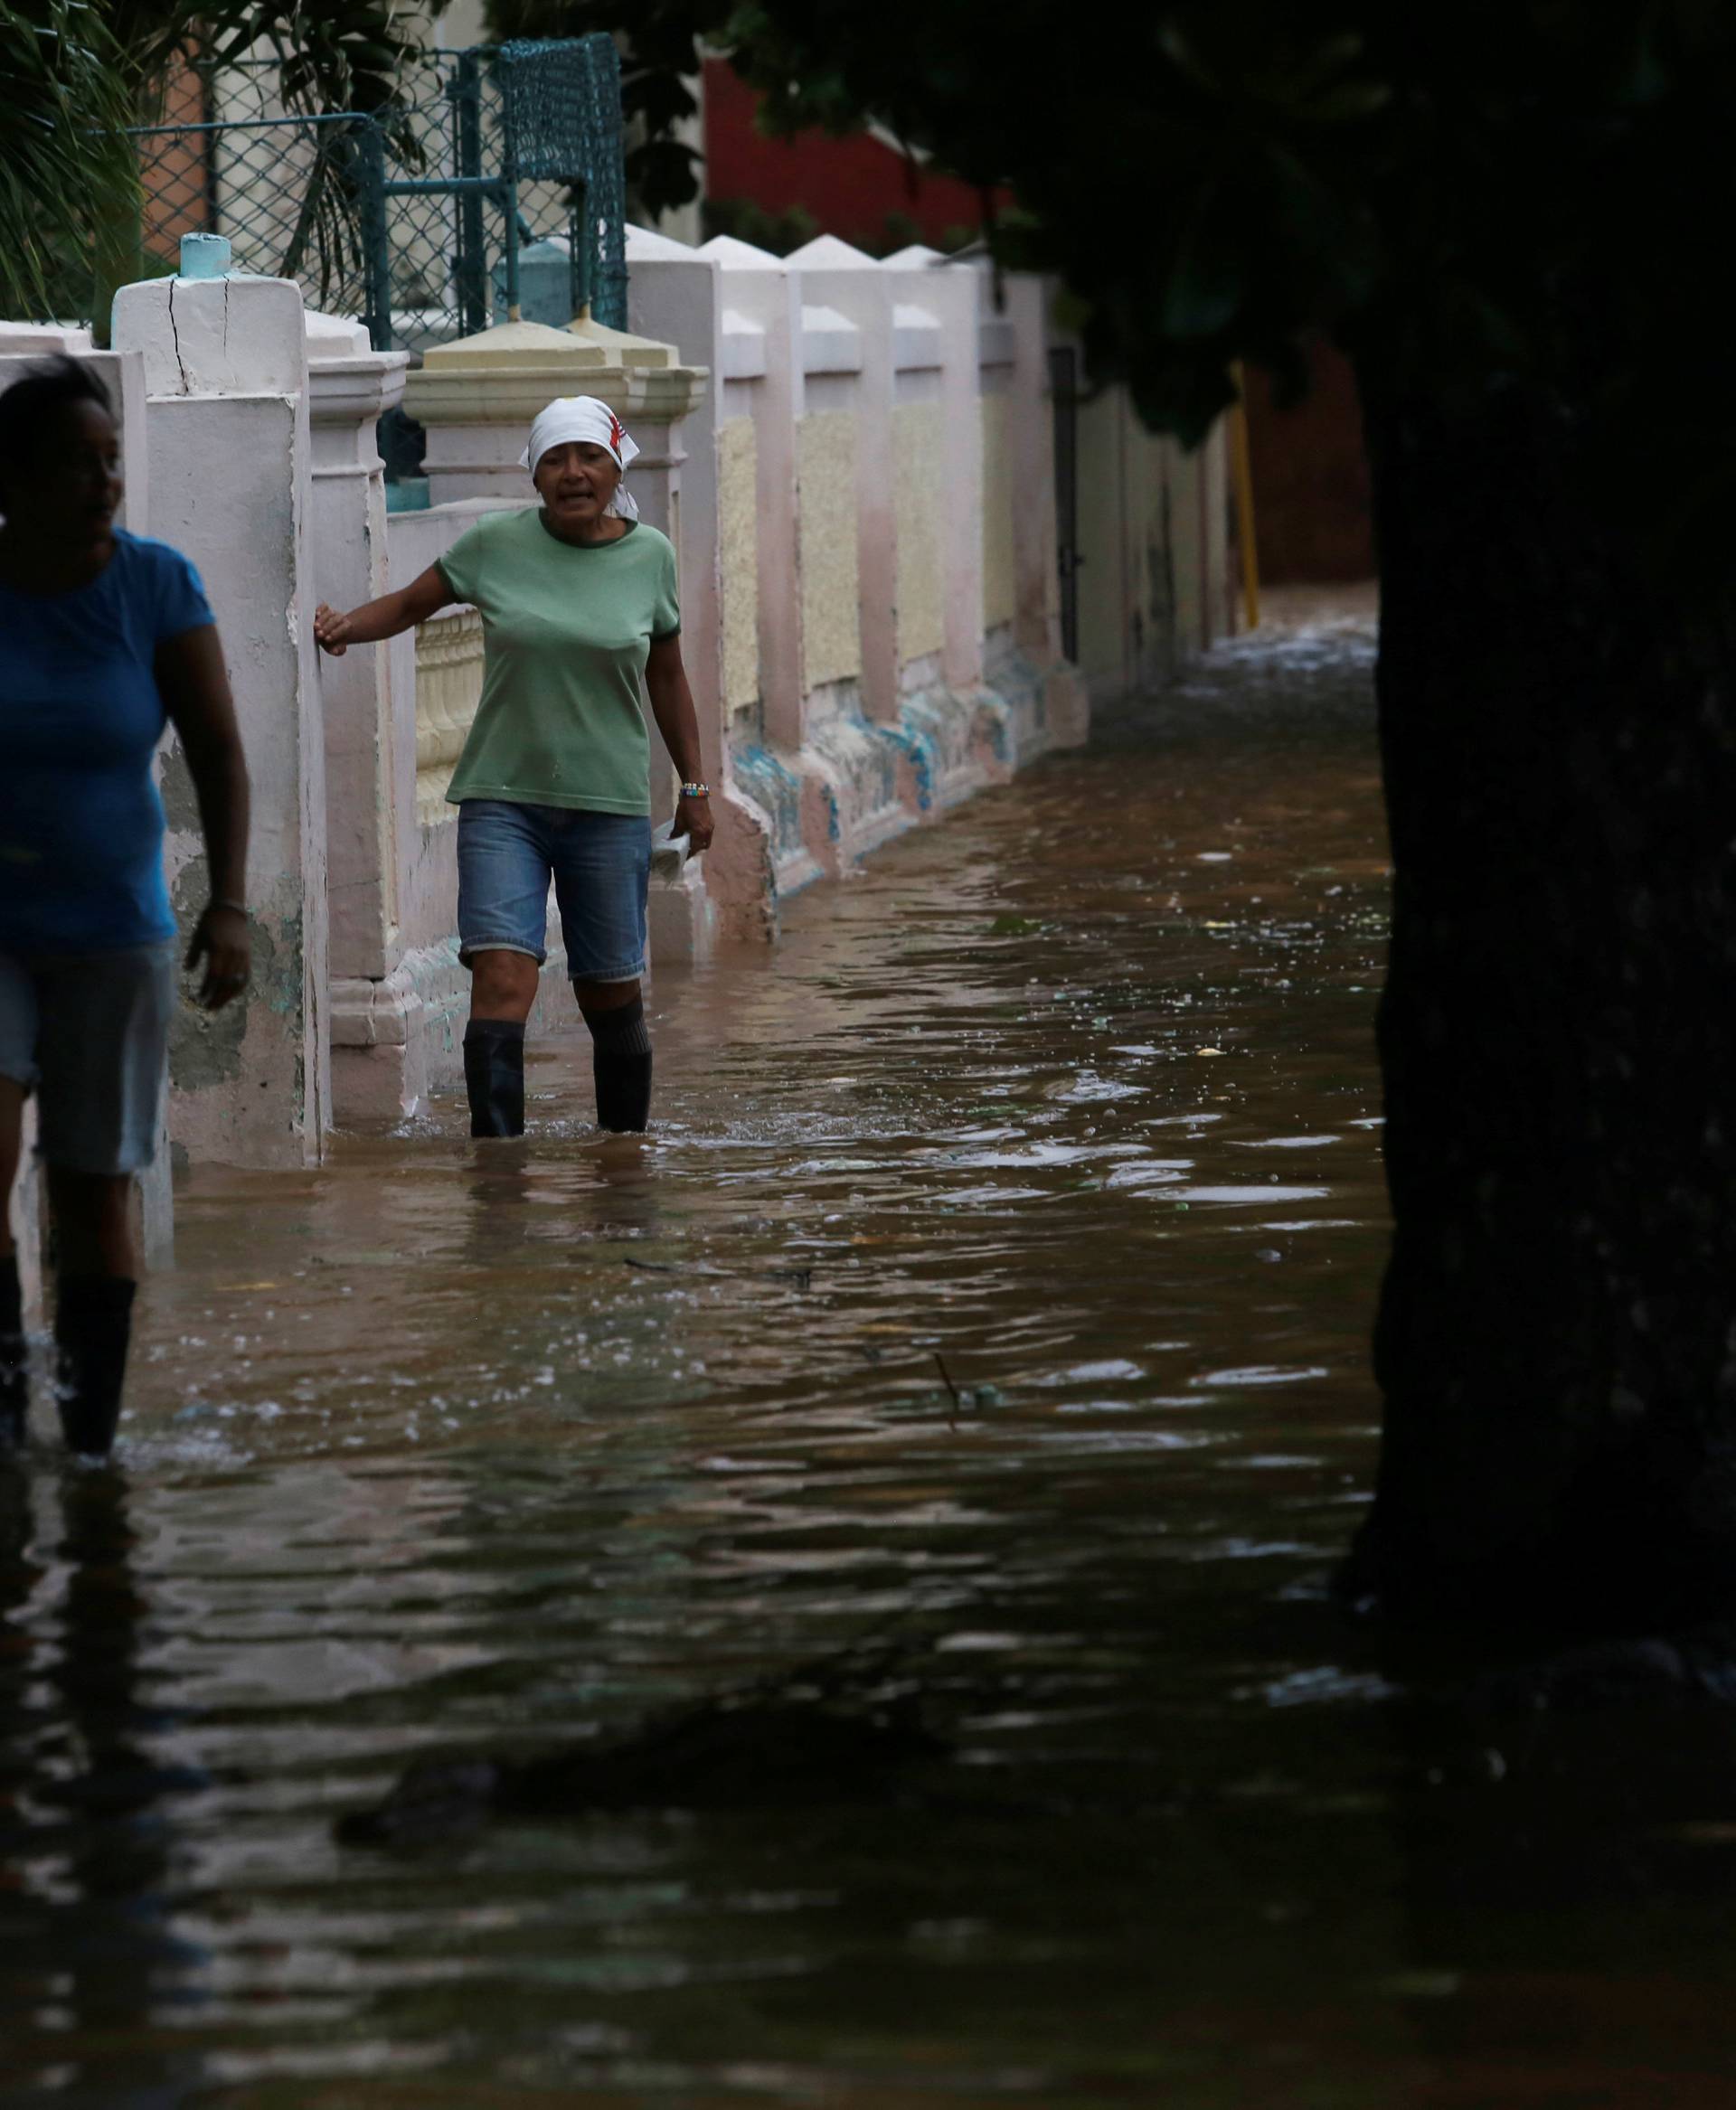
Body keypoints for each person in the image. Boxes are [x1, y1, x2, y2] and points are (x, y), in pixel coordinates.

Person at [314, 394, 713, 1139]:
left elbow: (668, 676)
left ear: (615, 463)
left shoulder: (649, 555)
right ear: (533, 475)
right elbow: (408, 605)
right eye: (555, 459)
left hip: (609, 806)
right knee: (500, 980)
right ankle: (499, 1180)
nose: (573, 474)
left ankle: (623, 1166)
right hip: (505, 803)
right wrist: (341, 628)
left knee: (610, 995)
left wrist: (694, 789)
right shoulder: (494, 546)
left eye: (589, 456)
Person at [0, 356, 250, 1458]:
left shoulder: (157, 586)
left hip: (113, 931)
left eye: (113, 462)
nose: (104, 483)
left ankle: (89, 1440)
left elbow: (219, 755)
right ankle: (6, 1429)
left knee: (96, 1186)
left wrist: (230, 904)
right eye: (77, 463)